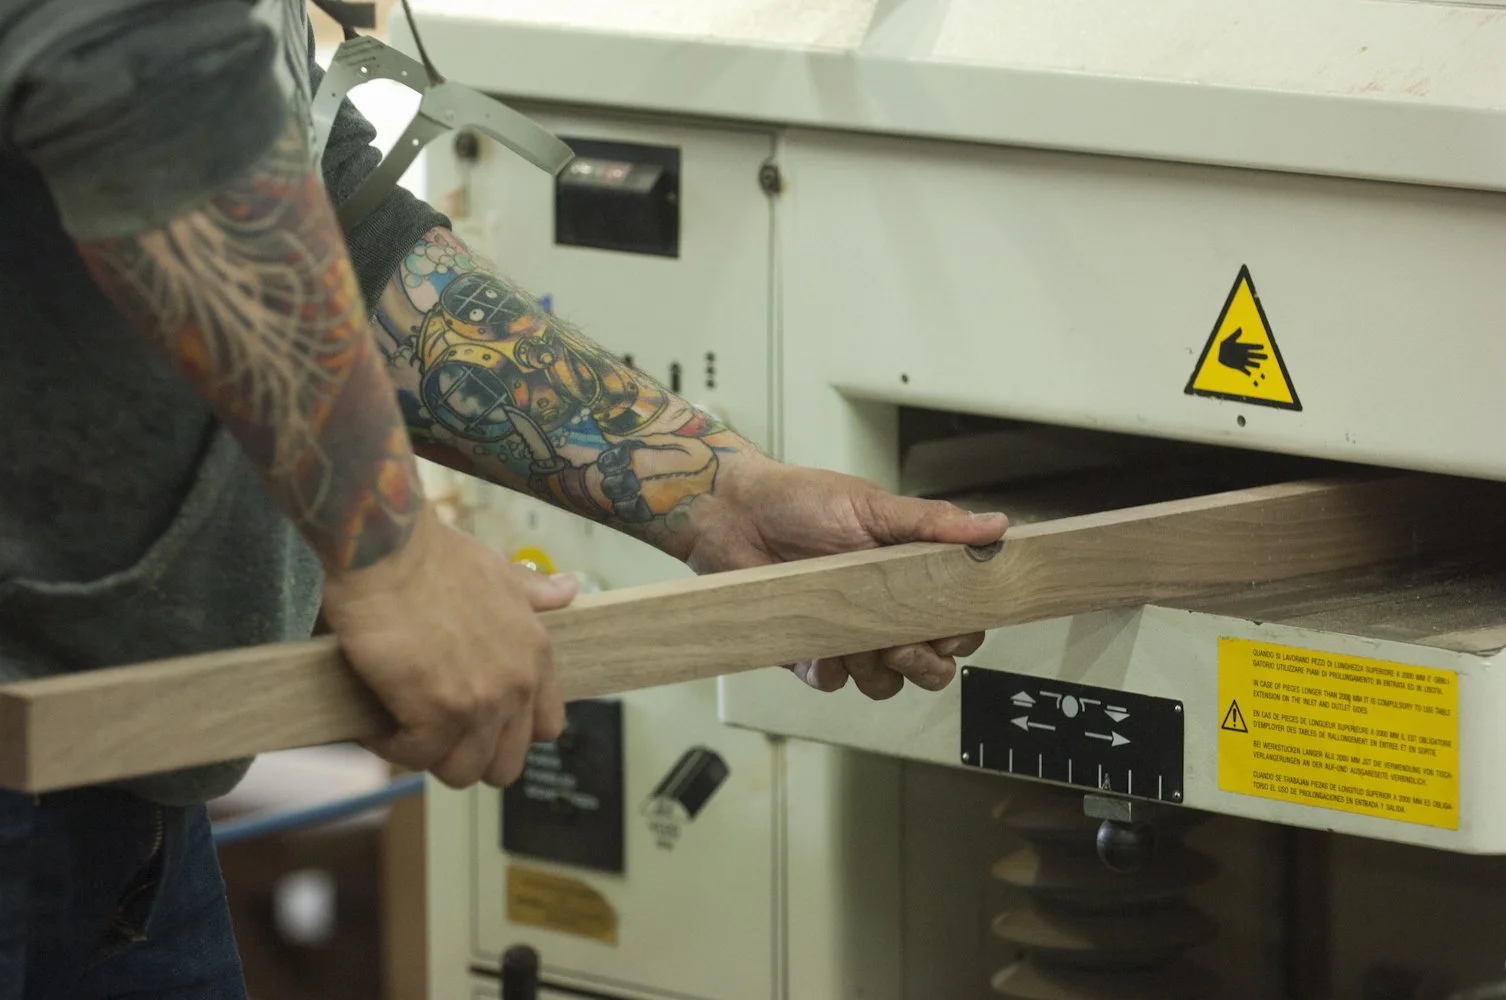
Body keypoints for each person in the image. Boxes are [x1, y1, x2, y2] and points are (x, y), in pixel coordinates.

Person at [0, 2, 1008, 997]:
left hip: (113, 796)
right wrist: (392, 557)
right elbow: (137, 76)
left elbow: (320, 220)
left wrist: (716, 493)